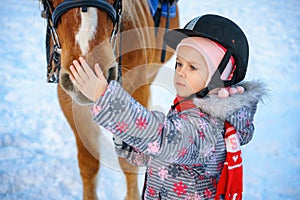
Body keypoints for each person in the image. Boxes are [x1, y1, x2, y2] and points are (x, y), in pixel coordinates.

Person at [69, 14, 266, 200]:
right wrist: (126, 140)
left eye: (193, 67)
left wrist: (105, 97)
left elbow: (161, 137)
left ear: (224, 75)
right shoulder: (190, 111)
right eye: (179, 64)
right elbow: (160, 154)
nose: (180, 72)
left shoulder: (208, 131)